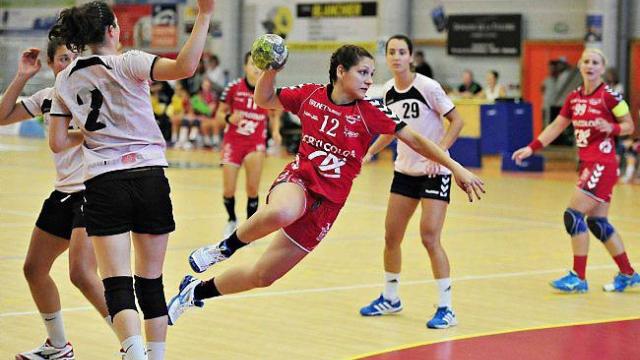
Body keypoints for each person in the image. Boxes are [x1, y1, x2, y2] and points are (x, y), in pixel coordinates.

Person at [166, 44, 485, 326]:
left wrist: (456, 168)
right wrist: (271, 71)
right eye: (363, 72)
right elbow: (263, 98)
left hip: (328, 205)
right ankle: (221, 249)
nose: (369, 80)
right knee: (282, 212)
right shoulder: (311, 95)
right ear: (340, 71)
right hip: (299, 182)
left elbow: (416, 139)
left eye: (372, 74)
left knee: (263, 276)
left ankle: (195, 291)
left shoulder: (371, 111)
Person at [47, 1, 214, 359]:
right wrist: (205, 14)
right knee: (150, 282)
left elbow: (58, 143)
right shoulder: (129, 62)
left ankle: (133, 353)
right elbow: (185, 66)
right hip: (149, 175)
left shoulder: (64, 78)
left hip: (104, 181)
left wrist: (94, 136)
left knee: (116, 282)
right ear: (112, 31)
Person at [0, 39, 115, 360]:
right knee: (34, 269)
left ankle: (135, 346)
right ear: (51, 64)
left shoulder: (96, 94)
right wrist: (23, 75)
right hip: (64, 192)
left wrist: (71, 135)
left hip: (94, 190)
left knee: (81, 273)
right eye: (63, 58)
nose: (71, 63)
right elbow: (1, 116)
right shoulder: (47, 97)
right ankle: (58, 345)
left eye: (76, 57)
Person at [358, 34, 465, 329]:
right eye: (391, 52)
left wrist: (439, 153)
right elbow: (392, 131)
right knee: (391, 236)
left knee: (429, 236)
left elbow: (457, 121)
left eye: (401, 52)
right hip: (404, 172)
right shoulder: (388, 90)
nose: (396, 57)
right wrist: (370, 152)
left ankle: (446, 308)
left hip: (434, 172)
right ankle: (391, 297)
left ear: (411, 57)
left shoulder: (428, 87)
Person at [512, 48, 640, 294]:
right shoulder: (574, 98)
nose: (590, 66)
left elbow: (629, 126)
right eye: (586, 61)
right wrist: (532, 148)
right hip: (589, 163)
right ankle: (628, 274)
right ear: (580, 66)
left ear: (602, 68)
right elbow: (557, 125)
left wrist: (610, 127)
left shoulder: (610, 97)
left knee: (573, 215)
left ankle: (578, 277)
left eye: (595, 62)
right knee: (598, 222)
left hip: (602, 164)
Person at [216, 51, 281, 237]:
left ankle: (250, 227)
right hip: (233, 142)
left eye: (260, 65)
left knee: (252, 188)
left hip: (255, 143)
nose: (256, 68)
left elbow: (276, 113)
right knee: (228, 189)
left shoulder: (269, 90)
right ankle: (231, 220)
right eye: (253, 64)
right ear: (245, 66)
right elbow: (219, 116)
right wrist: (229, 117)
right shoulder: (233, 88)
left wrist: (275, 131)